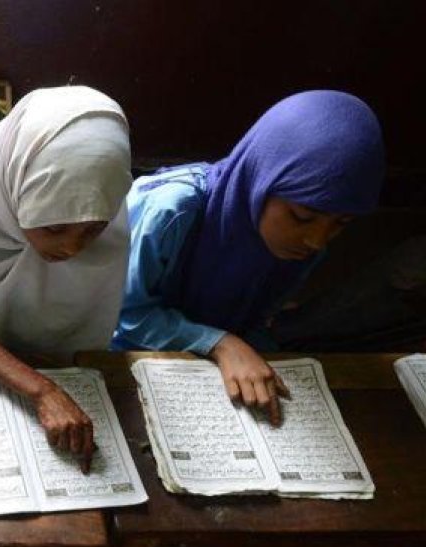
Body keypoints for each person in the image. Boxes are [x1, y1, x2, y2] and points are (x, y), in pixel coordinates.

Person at [113, 90, 385, 424]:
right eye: (301, 217)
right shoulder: (174, 209)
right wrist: (221, 344)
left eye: (341, 224)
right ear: (261, 180)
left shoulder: (302, 240)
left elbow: (256, 319)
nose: (317, 241)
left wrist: (255, 356)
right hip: (126, 355)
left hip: (207, 364)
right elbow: (125, 316)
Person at [0, 85, 133, 472]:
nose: (71, 249)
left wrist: (57, 384)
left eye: (92, 230)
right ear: (15, 186)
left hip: (74, 369)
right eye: (52, 228)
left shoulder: (109, 217)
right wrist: (41, 391)